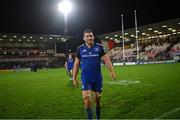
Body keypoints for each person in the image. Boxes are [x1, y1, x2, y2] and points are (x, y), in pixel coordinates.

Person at [73, 29, 115, 119]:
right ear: (84, 38)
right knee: (87, 100)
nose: (90, 37)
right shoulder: (80, 49)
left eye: (91, 36)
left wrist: (112, 72)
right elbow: (76, 64)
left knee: (97, 100)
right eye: (87, 36)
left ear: (93, 36)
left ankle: (98, 118)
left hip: (97, 78)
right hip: (86, 78)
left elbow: (106, 60)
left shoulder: (99, 47)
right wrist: (74, 78)